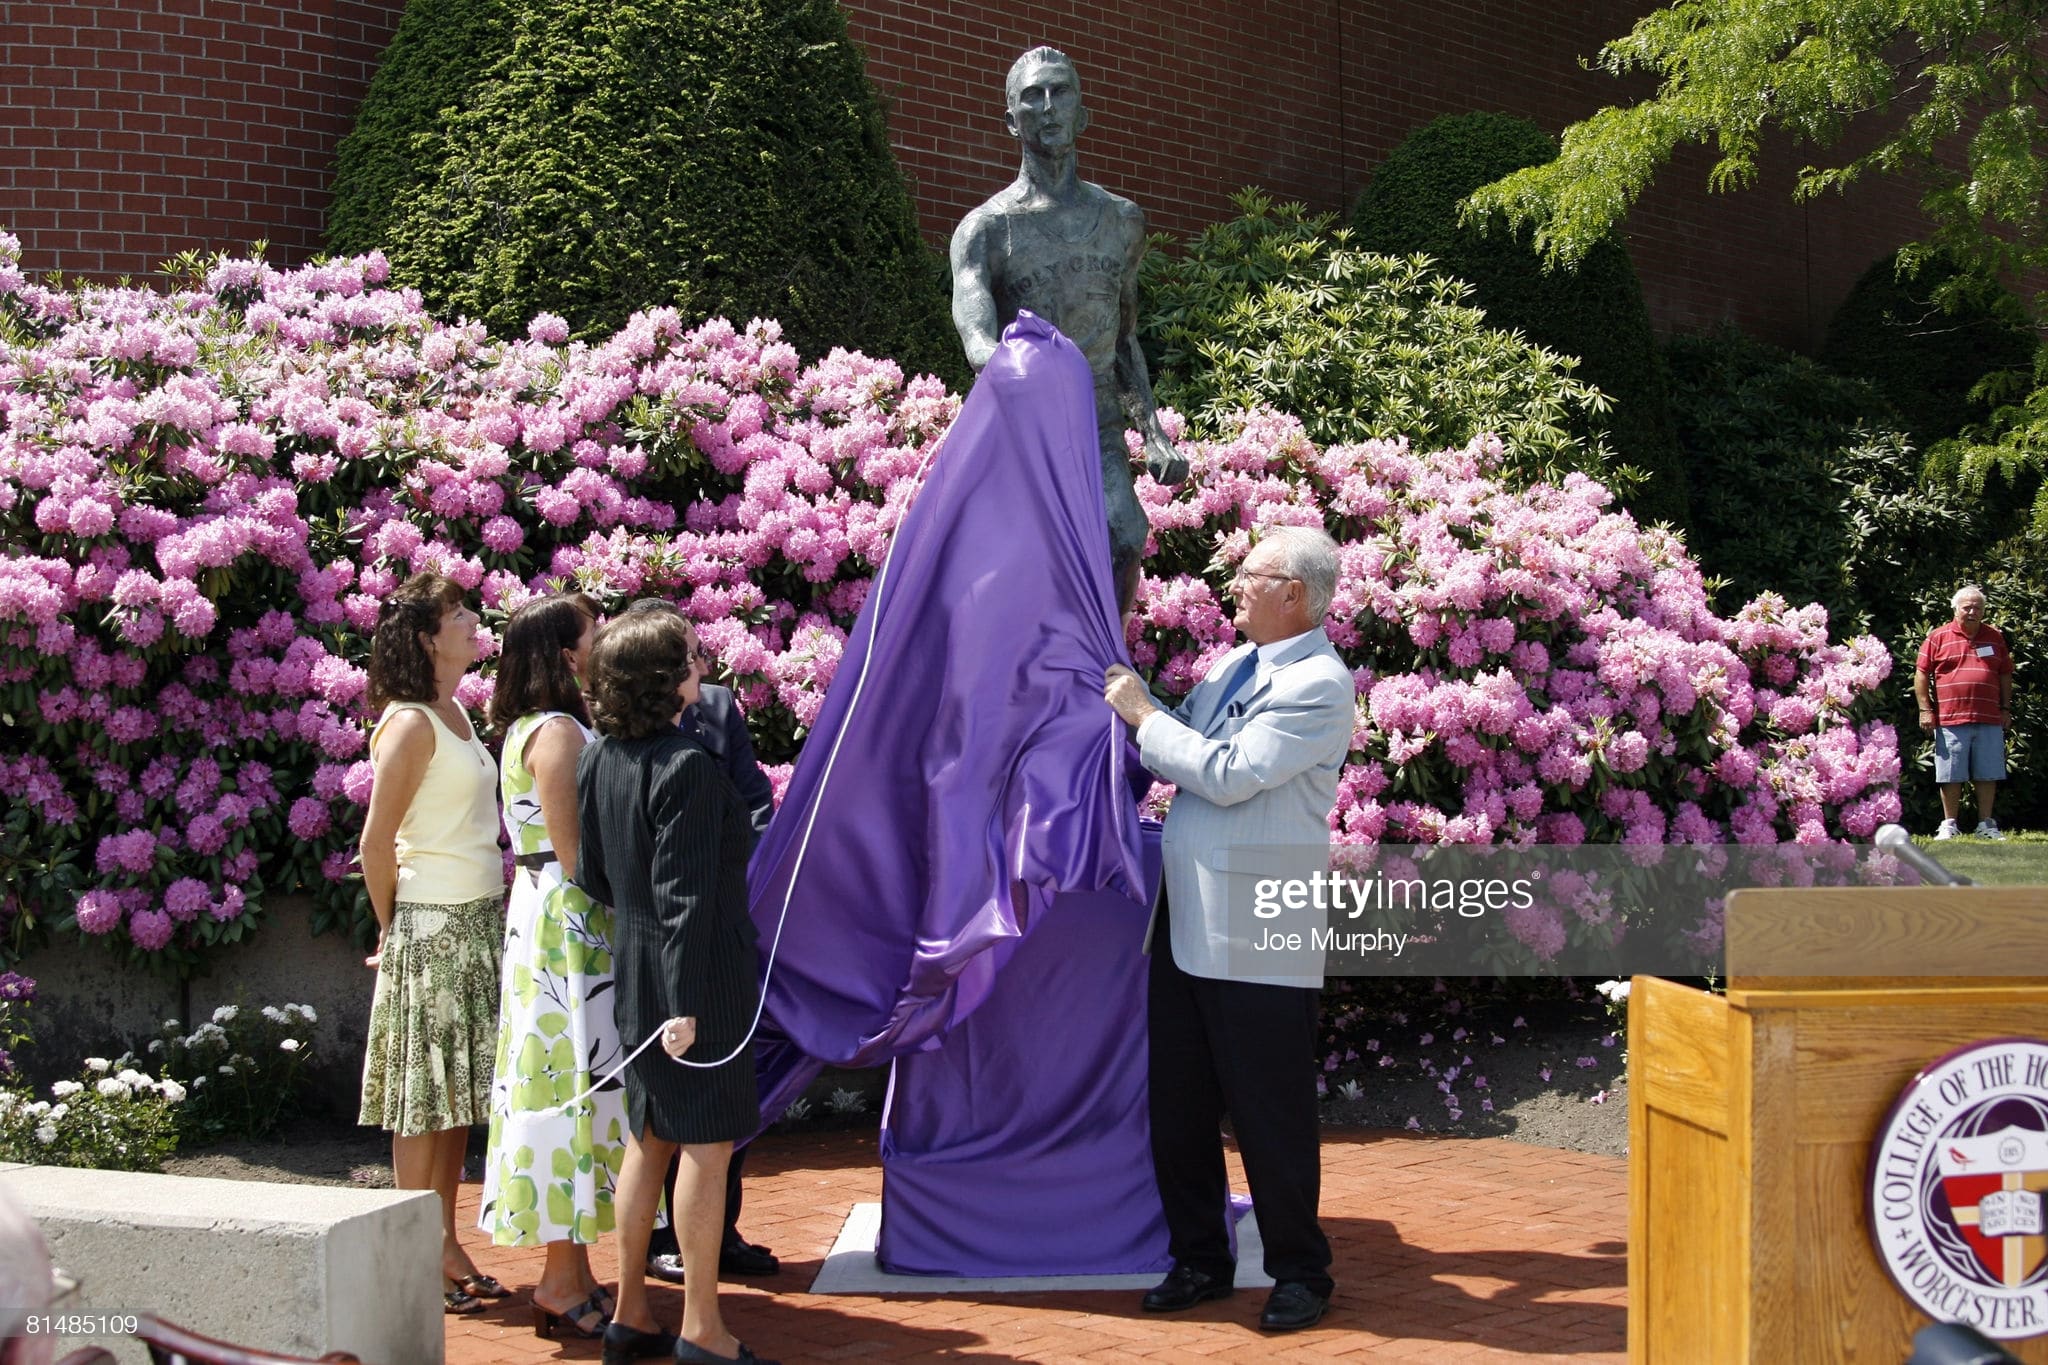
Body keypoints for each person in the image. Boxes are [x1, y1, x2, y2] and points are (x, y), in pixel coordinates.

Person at [1102, 524, 1352, 1333]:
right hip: (1187, 914)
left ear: (1296, 595)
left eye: (1252, 574)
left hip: (1258, 926)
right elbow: (1189, 738)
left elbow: (1226, 772)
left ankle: (1301, 1272)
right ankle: (1200, 1257)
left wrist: (1141, 714)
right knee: (1178, 1104)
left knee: (1268, 1109)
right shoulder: (1231, 663)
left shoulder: (1317, 680)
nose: (1233, 585)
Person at [576, 609, 773, 1365]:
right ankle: (702, 1328)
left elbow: (594, 874)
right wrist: (688, 1004)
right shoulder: (685, 766)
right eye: (690, 654)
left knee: (649, 1139)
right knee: (706, 1147)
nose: (701, 663)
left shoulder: (602, 759)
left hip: (634, 974)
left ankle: (630, 1314)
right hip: (698, 985)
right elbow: (687, 898)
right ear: (662, 676)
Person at [950, 45, 1188, 608]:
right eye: (1032, 96)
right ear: (1012, 121)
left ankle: (1111, 676)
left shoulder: (1122, 221)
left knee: (1125, 537)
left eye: (1061, 92)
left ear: (1082, 114)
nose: (1049, 107)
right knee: (1026, 567)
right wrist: (1025, 371)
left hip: (1098, 418)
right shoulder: (987, 230)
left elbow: (1123, 333)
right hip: (1023, 423)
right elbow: (978, 340)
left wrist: (1151, 431)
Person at [357, 572, 508, 1316]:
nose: (473, 619)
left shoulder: (456, 711)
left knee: (455, 1102)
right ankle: (416, 1255)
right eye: (457, 613)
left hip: (474, 917)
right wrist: (394, 928)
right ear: (427, 637)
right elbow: (375, 842)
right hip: (431, 923)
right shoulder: (411, 722)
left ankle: (443, 1242)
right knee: (424, 1100)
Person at [476, 591, 623, 1339]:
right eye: (593, 633)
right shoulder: (560, 731)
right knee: (574, 1086)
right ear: (567, 653)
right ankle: (562, 1278)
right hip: (570, 926)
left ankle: (574, 1270)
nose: (602, 642)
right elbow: (576, 853)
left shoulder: (525, 727)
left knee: (567, 1085)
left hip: (542, 916)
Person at [620, 604, 781, 1285]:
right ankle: (669, 1249)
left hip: (722, 925)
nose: (703, 665)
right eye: (689, 652)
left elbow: (755, 801)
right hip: (666, 940)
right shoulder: (620, 733)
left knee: (721, 1105)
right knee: (668, 1121)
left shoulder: (718, 709)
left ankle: (719, 1232)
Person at [1915, 583, 2015, 840]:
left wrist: (2005, 708)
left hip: (1989, 716)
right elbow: (1922, 673)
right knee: (1951, 774)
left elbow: (2005, 674)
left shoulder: (1994, 636)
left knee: (1988, 772)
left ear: (1983, 610)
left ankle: (1986, 825)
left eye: (1977, 607)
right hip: (1950, 717)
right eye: (1967, 607)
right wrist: (1925, 709)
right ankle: (1949, 824)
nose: (1972, 611)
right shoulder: (1937, 637)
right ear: (1955, 609)